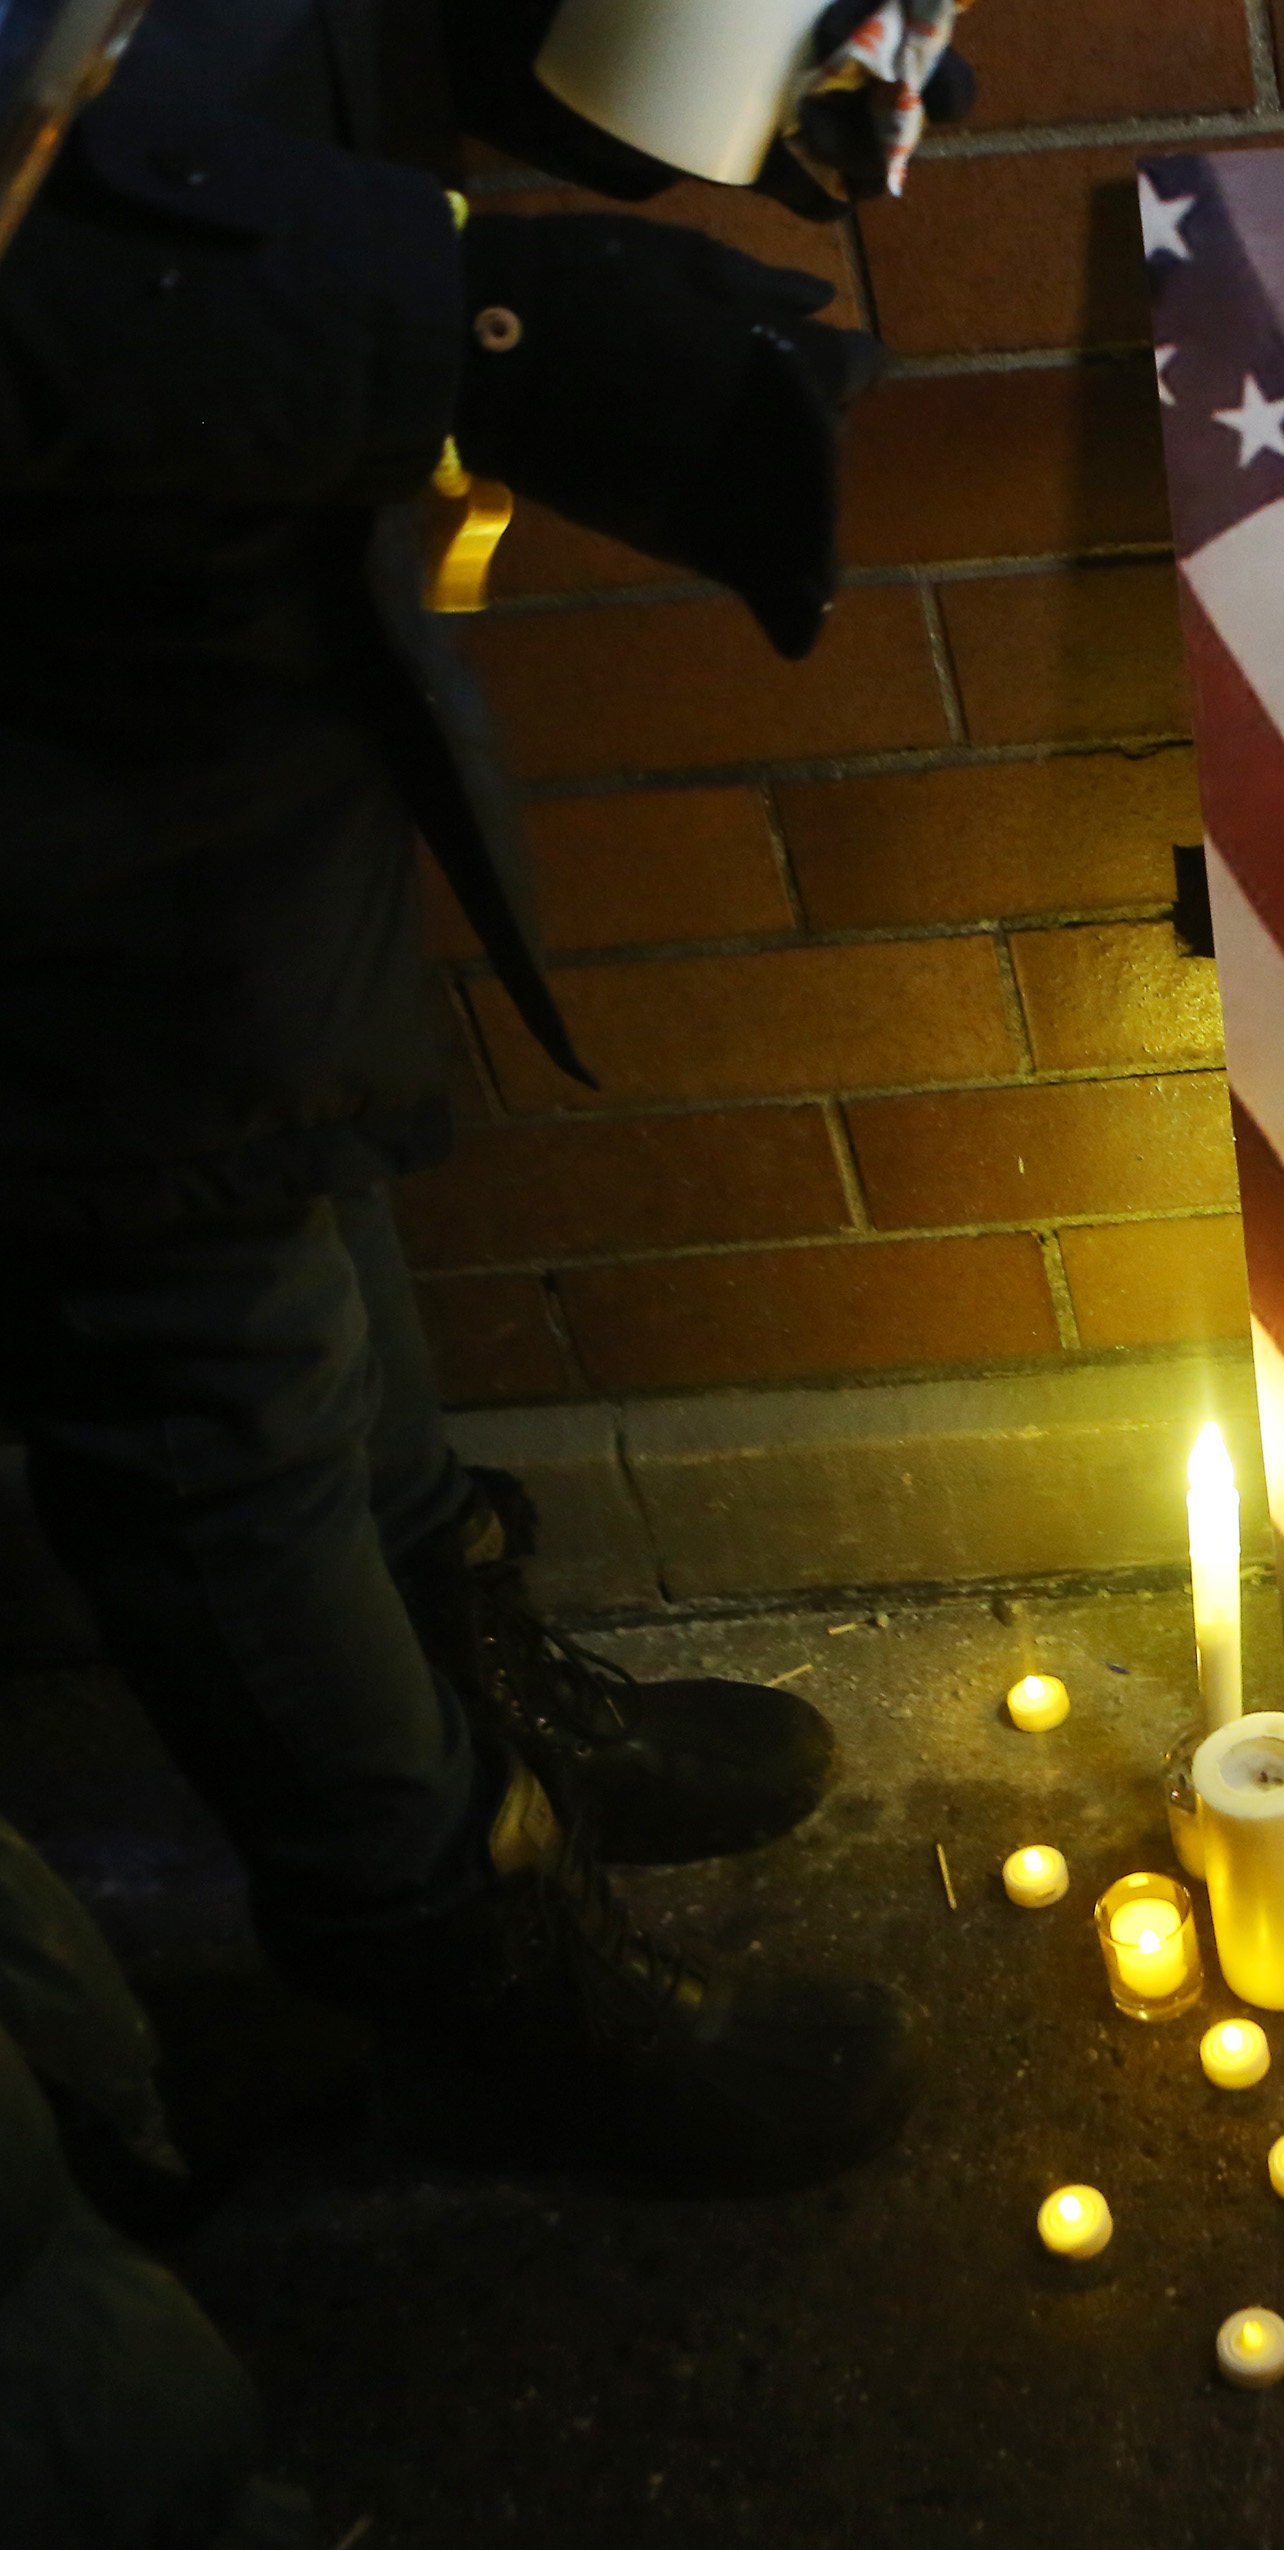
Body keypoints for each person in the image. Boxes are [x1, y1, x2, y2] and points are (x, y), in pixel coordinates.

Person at [0, 0, 974, 2228]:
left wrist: (669, 63)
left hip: (229, 549)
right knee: (200, 1351)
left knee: (302, 1183)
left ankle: (475, 1703)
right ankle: (452, 1960)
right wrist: (468, 318)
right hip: (44, 690)